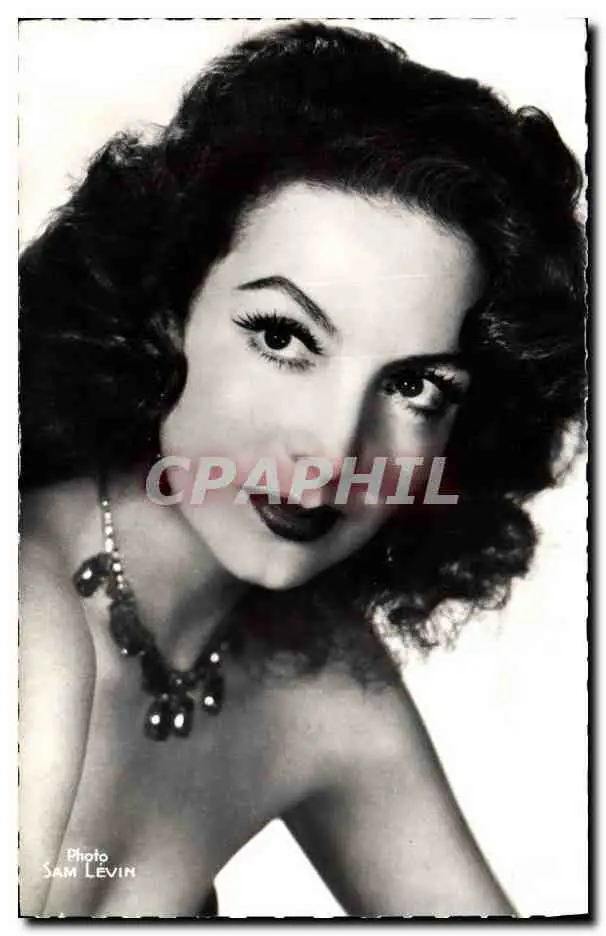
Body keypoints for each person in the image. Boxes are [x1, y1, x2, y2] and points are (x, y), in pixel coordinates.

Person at [18, 20, 586, 918]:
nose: (332, 454)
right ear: (164, 311)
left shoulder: (320, 684)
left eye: (415, 386)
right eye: (283, 338)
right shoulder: (26, 609)